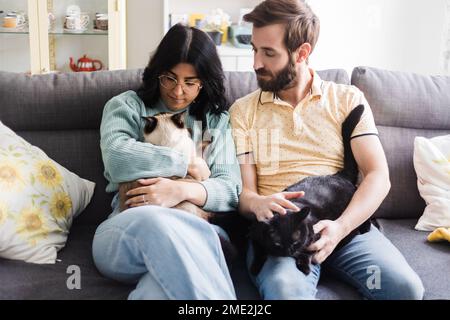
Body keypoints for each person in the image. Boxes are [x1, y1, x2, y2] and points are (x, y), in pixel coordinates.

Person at [229, 0, 424, 300]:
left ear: (302, 52)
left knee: (405, 289)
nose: (255, 62)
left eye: (268, 53)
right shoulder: (243, 111)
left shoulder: (347, 99)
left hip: (344, 229)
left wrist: (340, 228)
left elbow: (378, 175)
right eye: (253, 49)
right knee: (285, 291)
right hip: (283, 236)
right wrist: (257, 204)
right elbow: (246, 195)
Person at [92, 24, 242, 300]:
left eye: (190, 82)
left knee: (159, 289)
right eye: (169, 78)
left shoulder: (215, 121)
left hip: (195, 226)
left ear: (205, 82)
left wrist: (178, 191)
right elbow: (116, 158)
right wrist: (186, 163)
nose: (178, 92)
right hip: (127, 228)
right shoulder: (127, 106)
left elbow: (230, 190)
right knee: (158, 223)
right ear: (156, 73)